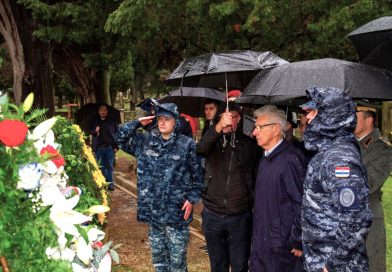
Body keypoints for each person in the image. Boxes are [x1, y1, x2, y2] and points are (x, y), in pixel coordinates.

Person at [116, 103, 204, 272]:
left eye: (167, 119)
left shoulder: (186, 145)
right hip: (153, 214)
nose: (162, 122)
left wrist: (192, 199)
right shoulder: (145, 141)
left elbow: (198, 177)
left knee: (177, 263)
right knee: (159, 262)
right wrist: (137, 123)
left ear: (176, 122)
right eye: (159, 118)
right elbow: (120, 138)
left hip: (176, 214)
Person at [301, 87, 372, 272]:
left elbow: (356, 219)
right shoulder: (328, 152)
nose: (307, 118)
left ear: (330, 116)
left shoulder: (339, 158)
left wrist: (332, 265)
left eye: (313, 112)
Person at [197, 101, 261, 272]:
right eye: (224, 118)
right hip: (213, 213)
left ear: (239, 118)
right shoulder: (212, 140)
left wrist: (250, 202)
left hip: (239, 216)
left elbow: (256, 176)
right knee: (218, 265)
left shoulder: (249, 144)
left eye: (232, 118)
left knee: (240, 265)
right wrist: (218, 128)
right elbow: (200, 149)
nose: (228, 121)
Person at [251, 105, 306, 272]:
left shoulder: (290, 160)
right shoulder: (266, 157)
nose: (254, 132)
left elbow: (301, 203)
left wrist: (298, 240)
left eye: (259, 127)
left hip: (281, 249)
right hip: (262, 243)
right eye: (255, 127)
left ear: (276, 129)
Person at [354, 106, 392, 272]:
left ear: (369, 120)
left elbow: (369, 184)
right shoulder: (348, 144)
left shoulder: (383, 149)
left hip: (368, 219)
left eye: (356, 116)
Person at [90, 103, 118, 191]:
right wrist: (95, 131)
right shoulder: (95, 121)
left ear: (107, 111)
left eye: (104, 110)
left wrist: (116, 146)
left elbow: (117, 134)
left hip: (109, 147)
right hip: (99, 148)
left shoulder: (112, 121)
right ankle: (102, 183)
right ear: (98, 112)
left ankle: (110, 184)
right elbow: (91, 132)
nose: (103, 112)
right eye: (101, 110)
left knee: (109, 167)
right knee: (100, 167)